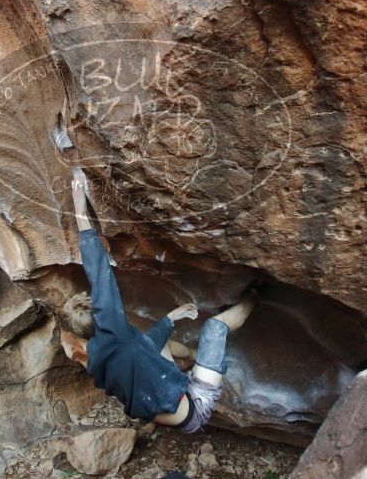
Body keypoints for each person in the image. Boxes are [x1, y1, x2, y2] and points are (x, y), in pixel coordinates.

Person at [62, 171, 257, 432]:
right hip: (195, 405)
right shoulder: (114, 331)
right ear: (102, 317)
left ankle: (192, 359)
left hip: (168, 403)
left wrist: (170, 318)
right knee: (215, 328)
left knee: (155, 340)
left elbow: (143, 347)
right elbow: (98, 274)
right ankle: (257, 297)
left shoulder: (97, 360)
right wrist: (78, 200)